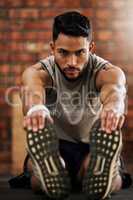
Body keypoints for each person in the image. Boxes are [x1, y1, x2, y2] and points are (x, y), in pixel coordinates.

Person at [20, 11, 131, 199]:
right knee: (37, 172)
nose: (72, 62)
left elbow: (115, 92)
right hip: (53, 146)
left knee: (95, 170)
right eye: (63, 52)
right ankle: (47, 172)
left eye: (80, 53)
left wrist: (113, 108)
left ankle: (105, 173)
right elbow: (32, 90)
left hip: (94, 146)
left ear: (91, 48)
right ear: (52, 48)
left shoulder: (106, 72)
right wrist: (36, 109)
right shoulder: (38, 72)